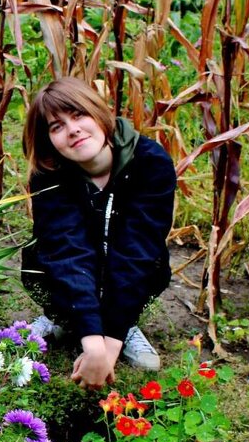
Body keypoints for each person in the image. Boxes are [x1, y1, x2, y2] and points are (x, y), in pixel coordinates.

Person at [20, 77, 176, 390]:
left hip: (128, 269)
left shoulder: (150, 161)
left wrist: (111, 344)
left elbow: (138, 251)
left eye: (79, 115)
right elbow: (67, 250)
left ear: (98, 113)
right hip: (77, 271)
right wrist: (93, 344)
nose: (72, 130)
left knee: (149, 260)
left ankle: (124, 324)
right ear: (49, 141)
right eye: (56, 126)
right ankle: (65, 318)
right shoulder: (48, 174)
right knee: (44, 255)